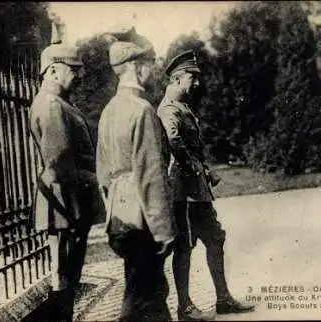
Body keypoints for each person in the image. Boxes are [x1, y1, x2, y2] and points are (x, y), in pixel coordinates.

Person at [157, 51, 255, 321]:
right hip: (182, 192)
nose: (197, 83)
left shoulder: (184, 107)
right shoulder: (168, 109)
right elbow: (175, 142)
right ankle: (185, 307)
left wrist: (204, 171)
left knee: (215, 238)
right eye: (192, 77)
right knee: (184, 247)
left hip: (196, 190)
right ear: (177, 79)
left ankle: (223, 299)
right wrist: (198, 168)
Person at [96, 33, 176, 321]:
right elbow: (151, 174)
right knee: (146, 297)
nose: (152, 69)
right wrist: (164, 229)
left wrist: (115, 209)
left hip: (120, 215)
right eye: (147, 63)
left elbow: (102, 173)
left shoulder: (108, 111)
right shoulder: (142, 110)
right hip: (143, 217)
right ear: (133, 67)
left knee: (142, 290)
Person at [29, 43, 104, 321]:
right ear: (53, 70)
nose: (79, 76)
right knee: (64, 277)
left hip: (69, 201)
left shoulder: (60, 103)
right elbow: (59, 164)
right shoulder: (51, 105)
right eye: (73, 70)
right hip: (63, 204)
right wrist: (96, 179)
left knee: (69, 276)